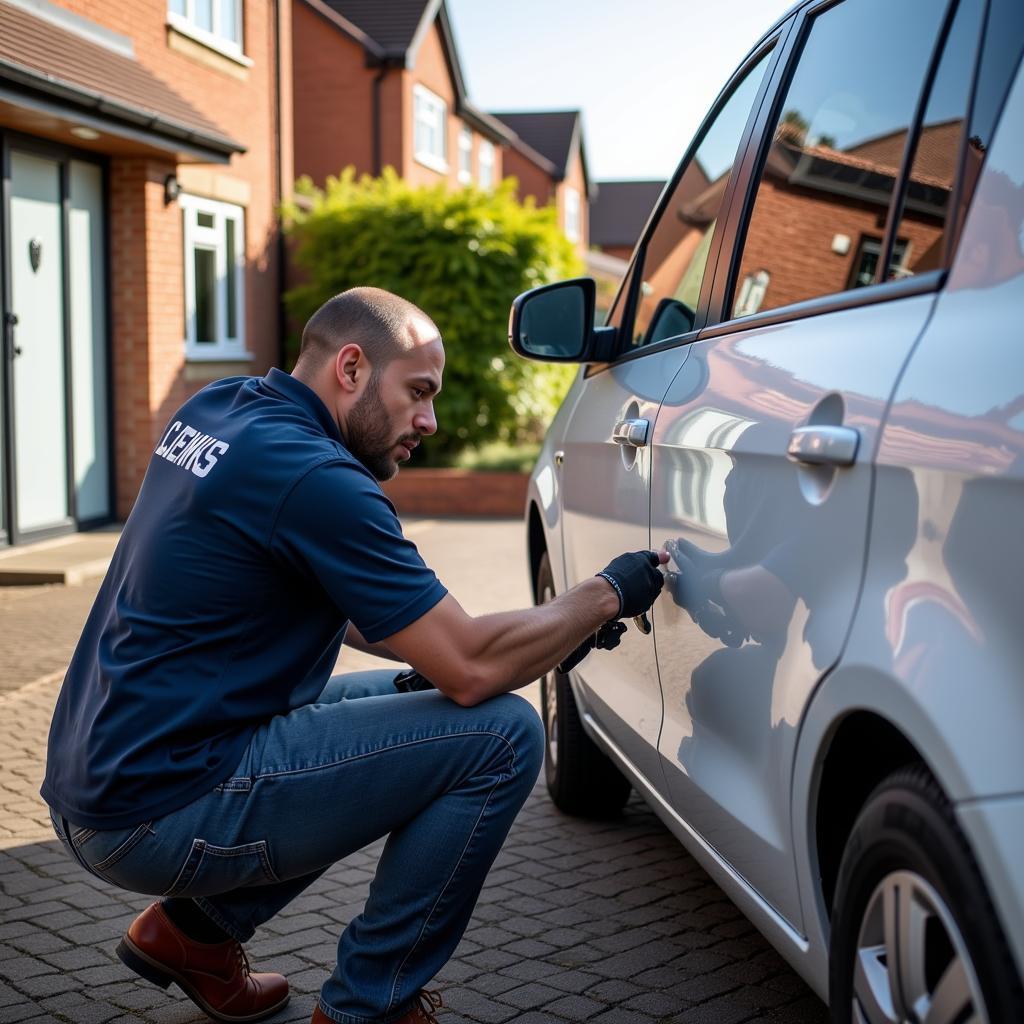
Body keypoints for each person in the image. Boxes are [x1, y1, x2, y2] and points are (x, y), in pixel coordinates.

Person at [41, 287, 668, 1024]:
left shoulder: (223, 409)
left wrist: (535, 633)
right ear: (350, 367)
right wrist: (602, 595)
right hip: (156, 809)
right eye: (419, 392)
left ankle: (192, 937)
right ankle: (368, 1006)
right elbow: (471, 668)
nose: (429, 422)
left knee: (410, 710)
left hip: (102, 778)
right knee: (501, 736)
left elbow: (375, 621)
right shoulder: (319, 481)